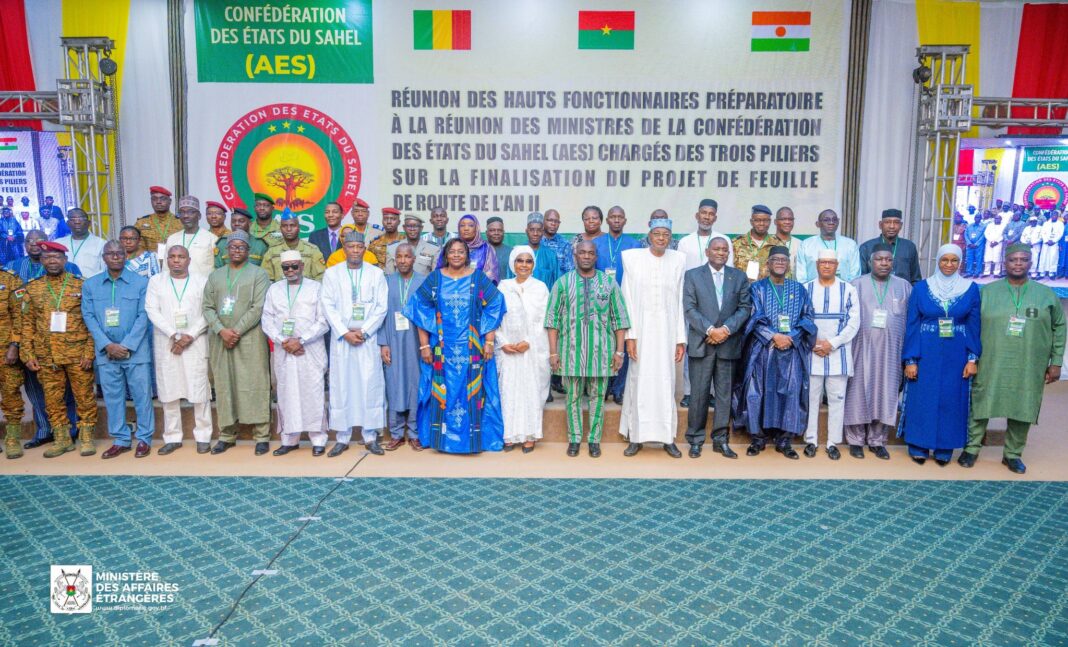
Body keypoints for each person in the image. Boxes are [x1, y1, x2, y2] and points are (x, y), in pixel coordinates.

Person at [961, 244, 1066, 474]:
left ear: (1031, 263)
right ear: (1004, 262)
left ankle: (1012, 454)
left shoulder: (1046, 294)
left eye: (1023, 259)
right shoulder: (987, 292)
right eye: (1013, 259)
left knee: (1023, 404)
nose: (1018, 264)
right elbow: (971, 325)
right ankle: (971, 448)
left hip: (1030, 362)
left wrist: (1056, 361)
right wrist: (971, 358)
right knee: (982, 401)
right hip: (991, 360)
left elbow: (1059, 326)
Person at [406, 238, 506, 454]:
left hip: (473, 349)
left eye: (461, 251)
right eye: (452, 251)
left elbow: (495, 304)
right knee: (443, 393)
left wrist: (489, 341)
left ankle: (473, 442)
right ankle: (442, 441)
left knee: (474, 395)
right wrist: (424, 346)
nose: (457, 255)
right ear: (446, 254)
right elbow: (419, 308)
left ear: (467, 255)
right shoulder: (435, 279)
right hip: (442, 350)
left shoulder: (478, 278)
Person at [899, 244, 981, 465]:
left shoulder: (970, 289)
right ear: (938, 261)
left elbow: (974, 326)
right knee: (923, 397)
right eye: (945, 260)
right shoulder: (922, 288)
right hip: (926, 351)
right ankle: (919, 444)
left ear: (960, 262)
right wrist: (910, 359)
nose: (949, 264)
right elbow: (912, 325)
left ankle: (945, 446)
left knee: (951, 397)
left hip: (957, 353)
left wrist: (972, 358)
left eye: (954, 260)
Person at [546, 241, 629, 457]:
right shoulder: (563, 283)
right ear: (575, 256)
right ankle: (574, 439)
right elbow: (552, 320)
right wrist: (553, 352)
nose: (586, 256)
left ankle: (594, 440)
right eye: (582, 252)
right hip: (570, 352)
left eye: (590, 253)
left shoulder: (608, 283)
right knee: (572, 397)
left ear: (595, 257)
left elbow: (619, 319)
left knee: (597, 398)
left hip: (601, 354)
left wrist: (619, 351)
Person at [733, 246, 817, 460]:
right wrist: (773, 336)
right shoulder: (757, 288)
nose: (780, 262)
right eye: (776, 259)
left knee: (790, 392)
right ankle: (758, 438)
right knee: (757, 392)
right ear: (767, 264)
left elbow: (808, 316)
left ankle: (784, 440)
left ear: (789, 265)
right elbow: (754, 316)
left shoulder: (799, 289)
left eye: (784, 260)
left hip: (791, 350)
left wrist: (792, 337)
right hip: (763, 350)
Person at [19, 241, 98, 457]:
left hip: (77, 354)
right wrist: (27, 354)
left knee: (84, 397)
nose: (52, 261)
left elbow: (92, 321)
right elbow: (27, 323)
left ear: (65, 260)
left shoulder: (81, 285)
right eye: (47, 258)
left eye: (56, 257)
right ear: (41, 261)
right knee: (53, 400)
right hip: (47, 355)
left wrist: (89, 352)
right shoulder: (33, 288)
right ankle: (62, 439)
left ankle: (86, 436)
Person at [618, 217, 687, 458]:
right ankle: (636, 436)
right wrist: (630, 336)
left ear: (670, 238)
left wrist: (680, 339)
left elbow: (679, 301)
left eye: (666, 234)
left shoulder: (678, 260)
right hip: (641, 334)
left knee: (666, 383)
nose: (661, 238)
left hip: (667, 333)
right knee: (639, 381)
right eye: (657, 233)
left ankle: (667, 437)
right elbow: (627, 299)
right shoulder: (632, 259)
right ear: (649, 235)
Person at [83, 241, 154, 459]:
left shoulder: (141, 282)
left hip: (136, 352)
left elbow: (144, 315)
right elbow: (88, 316)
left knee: (142, 396)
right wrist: (107, 345)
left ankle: (144, 438)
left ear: (126, 256)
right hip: (106, 353)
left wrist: (127, 345)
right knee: (113, 398)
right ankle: (121, 439)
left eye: (119, 253)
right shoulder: (91, 285)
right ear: (103, 257)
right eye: (110, 254)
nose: (115, 257)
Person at [203, 231, 272, 455]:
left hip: (250, 338)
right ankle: (226, 434)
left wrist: (236, 331)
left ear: (248, 250)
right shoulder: (215, 276)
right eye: (233, 246)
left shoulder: (259, 274)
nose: (237, 250)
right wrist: (221, 330)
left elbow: (258, 307)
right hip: (220, 339)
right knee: (224, 385)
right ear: (226, 250)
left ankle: (261, 435)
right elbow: (207, 307)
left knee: (256, 383)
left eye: (241, 247)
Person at [682, 237, 751, 459]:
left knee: (724, 395)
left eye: (724, 250)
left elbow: (745, 308)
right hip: (702, 343)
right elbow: (689, 308)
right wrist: (711, 330)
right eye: (717, 249)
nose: (721, 253)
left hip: (728, 344)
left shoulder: (738, 276)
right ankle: (695, 439)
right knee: (699, 395)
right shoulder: (693, 275)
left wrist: (725, 330)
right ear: (707, 252)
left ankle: (721, 440)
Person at [321, 231, 389, 456]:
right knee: (342, 385)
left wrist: (365, 331)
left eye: (359, 247)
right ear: (344, 249)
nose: (356, 251)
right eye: (351, 247)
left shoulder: (376, 274)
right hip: (342, 340)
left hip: (367, 339)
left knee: (370, 385)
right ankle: (342, 437)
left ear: (364, 249)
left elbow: (381, 307)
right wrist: (344, 332)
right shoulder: (332, 274)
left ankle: (370, 436)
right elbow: (327, 305)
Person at [842, 244, 912, 459]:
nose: (884, 263)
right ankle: (855, 440)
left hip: (891, 352)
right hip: (860, 349)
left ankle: (877, 440)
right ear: (870, 262)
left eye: (888, 260)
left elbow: (911, 321)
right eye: (879, 259)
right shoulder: (856, 285)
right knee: (858, 391)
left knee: (886, 392)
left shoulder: (904, 286)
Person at [145, 245, 213, 454]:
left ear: (189, 260)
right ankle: (173, 437)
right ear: (166, 260)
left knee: (199, 390)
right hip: (166, 342)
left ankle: (203, 436)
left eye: (181, 257)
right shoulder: (156, 281)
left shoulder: (202, 281)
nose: (176, 260)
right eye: (172, 257)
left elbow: (208, 311)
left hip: (195, 342)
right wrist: (174, 334)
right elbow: (151, 310)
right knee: (169, 391)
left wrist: (189, 335)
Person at [262, 250, 330, 457]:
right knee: (286, 393)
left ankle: (318, 439)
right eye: (286, 267)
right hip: (284, 350)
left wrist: (301, 340)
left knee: (313, 393)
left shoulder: (316, 288)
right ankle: (289, 440)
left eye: (294, 266)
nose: (290, 270)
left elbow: (323, 320)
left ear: (302, 266)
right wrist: (283, 340)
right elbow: (267, 319)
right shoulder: (274, 289)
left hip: (310, 349)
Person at [802, 249, 860, 460]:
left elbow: (854, 322)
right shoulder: (805, 288)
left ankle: (833, 442)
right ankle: (810, 440)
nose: (826, 266)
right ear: (817, 264)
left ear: (837, 265)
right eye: (823, 262)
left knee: (837, 399)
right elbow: (800, 319)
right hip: (812, 352)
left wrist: (832, 344)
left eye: (831, 262)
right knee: (811, 399)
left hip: (838, 354)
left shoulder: (849, 290)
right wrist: (813, 342)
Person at [495, 246, 550, 452]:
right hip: (508, 350)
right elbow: (495, 317)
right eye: (520, 260)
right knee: (509, 391)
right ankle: (509, 435)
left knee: (530, 391)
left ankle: (530, 435)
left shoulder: (540, 288)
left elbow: (544, 319)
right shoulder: (503, 287)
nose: (524, 265)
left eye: (528, 261)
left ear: (533, 264)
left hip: (532, 350)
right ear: (512, 263)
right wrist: (502, 342)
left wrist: (528, 341)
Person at [378, 243, 426, 451]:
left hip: (416, 342)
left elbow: (428, 313)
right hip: (393, 339)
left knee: (415, 384)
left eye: (407, 256)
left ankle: (415, 432)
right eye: (399, 256)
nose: (403, 260)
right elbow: (380, 314)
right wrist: (383, 343)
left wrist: (426, 345)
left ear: (414, 259)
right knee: (394, 383)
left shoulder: (423, 281)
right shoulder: (386, 282)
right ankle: (396, 433)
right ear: (394, 260)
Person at [592, 206, 640, 405]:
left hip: (626, 300)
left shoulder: (634, 245)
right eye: (613, 217)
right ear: (607, 220)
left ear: (625, 220)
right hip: (600, 301)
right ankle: (603, 387)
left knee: (624, 344)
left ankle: (619, 389)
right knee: (603, 344)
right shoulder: (596, 243)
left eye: (620, 217)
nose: (617, 220)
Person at [0, 266, 26, 458]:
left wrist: (15, 345)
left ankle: (12, 439)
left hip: (5, 350)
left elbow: (20, 315)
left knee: (11, 393)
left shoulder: (10, 279)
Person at [795, 209, 861, 284]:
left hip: (844, 289)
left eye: (834, 220)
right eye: (826, 220)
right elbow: (801, 276)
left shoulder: (850, 244)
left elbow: (855, 275)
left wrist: (846, 289)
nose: (831, 223)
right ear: (818, 224)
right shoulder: (806, 245)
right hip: (812, 289)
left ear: (838, 222)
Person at [260, 209, 326, 281]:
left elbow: (320, 277)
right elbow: (266, 279)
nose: (289, 229)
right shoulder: (272, 251)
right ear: (280, 229)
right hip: (279, 288)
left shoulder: (312, 250)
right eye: (285, 226)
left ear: (299, 228)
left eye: (292, 225)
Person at [858, 209, 922, 283]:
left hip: (902, 290)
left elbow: (915, 279)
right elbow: (862, 278)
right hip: (874, 289)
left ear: (901, 226)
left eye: (896, 222)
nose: (892, 226)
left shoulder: (909, 247)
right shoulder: (866, 247)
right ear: (880, 225)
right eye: (887, 222)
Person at [435, 214, 500, 283]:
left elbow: (492, 276)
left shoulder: (486, 248)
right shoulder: (450, 246)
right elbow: (439, 273)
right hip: (451, 287)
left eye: (471, 225)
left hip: (478, 287)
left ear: (476, 228)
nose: (466, 229)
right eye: (462, 225)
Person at [166, 196, 219, 278]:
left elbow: (219, 269)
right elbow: (166, 269)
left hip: (203, 285)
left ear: (199, 216)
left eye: (190, 212)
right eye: (182, 212)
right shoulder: (172, 239)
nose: (186, 216)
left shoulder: (212, 239)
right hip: (176, 284)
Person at [677, 199, 733, 273]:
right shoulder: (685, 242)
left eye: (711, 214)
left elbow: (729, 268)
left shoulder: (724, 240)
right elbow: (680, 269)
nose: (707, 217)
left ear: (715, 219)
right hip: (691, 280)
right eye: (704, 213)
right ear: (697, 216)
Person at [5, 230, 81, 282]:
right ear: (24, 244)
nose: (34, 244)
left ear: (47, 242)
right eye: (29, 241)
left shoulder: (70, 267)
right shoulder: (12, 266)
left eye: (39, 240)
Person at [55, 209, 106, 278]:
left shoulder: (101, 244)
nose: (77, 222)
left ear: (89, 223)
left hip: (91, 283)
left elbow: (104, 270)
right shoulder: (58, 243)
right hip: (62, 284)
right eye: (73, 219)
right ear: (67, 223)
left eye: (81, 218)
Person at [134, 186, 181, 260]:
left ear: (170, 201)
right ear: (151, 201)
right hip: (149, 263)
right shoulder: (141, 223)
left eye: (163, 198)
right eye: (154, 199)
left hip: (175, 262)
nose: (158, 202)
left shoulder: (180, 222)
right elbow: (135, 247)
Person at [733, 205, 775, 281]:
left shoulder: (777, 245)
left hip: (768, 288)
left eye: (765, 220)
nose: (761, 223)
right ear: (751, 222)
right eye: (757, 220)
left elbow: (785, 274)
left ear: (770, 222)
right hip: (742, 288)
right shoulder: (736, 243)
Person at [541, 208, 574, 273]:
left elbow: (569, 271)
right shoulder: (536, 240)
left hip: (559, 279)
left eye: (556, 221)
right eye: (550, 220)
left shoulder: (565, 244)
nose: (553, 224)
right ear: (543, 221)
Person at [772, 207, 800, 276]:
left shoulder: (801, 245)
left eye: (790, 219)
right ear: (775, 222)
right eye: (783, 219)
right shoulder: (768, 243)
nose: (787, 222)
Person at [1038, 213, 1063, 279]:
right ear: (1051, 216)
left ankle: (1051, 273)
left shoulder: (1060, 224)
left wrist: (1053, 241)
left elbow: (1060, 234)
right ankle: (1042, 272)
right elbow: (1043, 232)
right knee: (1043, 257)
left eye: (1055, 215)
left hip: (1054, 243)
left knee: (1053, 257)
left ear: (1057, 216)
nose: (1054, 216)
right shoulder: (1046, 223)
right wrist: (1046, 240)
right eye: (1053, 215)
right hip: (1046, 243)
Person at [963, 212, 987, 278]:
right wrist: (969, 243)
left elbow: (983, 236)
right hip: (969, 245)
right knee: (969, 258)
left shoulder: (984, 226)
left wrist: (976, 244)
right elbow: (965, 234)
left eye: (978, 217)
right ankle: (969, 272)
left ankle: (977, 272)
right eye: (976, 217)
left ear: (981, 218)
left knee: (978, 259)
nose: (977, 218)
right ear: (974, 218)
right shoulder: (969, 226)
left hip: (978, 246)